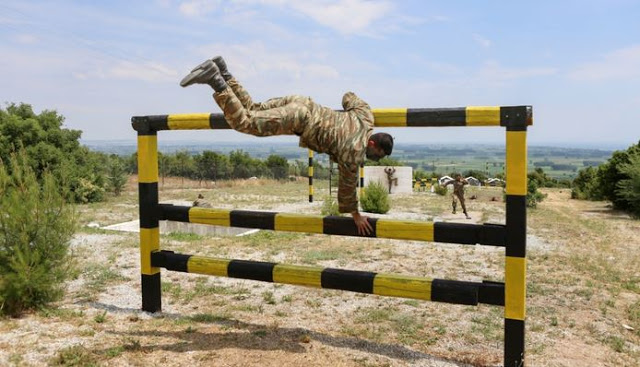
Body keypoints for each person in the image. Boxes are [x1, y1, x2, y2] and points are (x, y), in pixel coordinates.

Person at [180, 56, 394, 235]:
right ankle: (216, 80)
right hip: (300, 118)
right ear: (372, 143)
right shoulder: (354, 152)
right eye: (378, 153)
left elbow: (348, 97)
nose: (376, 158)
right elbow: (347, 188)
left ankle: (224, 72)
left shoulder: (366, 117)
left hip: (303, 102)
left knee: (255, 108)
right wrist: (356, 215)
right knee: (246, 122)